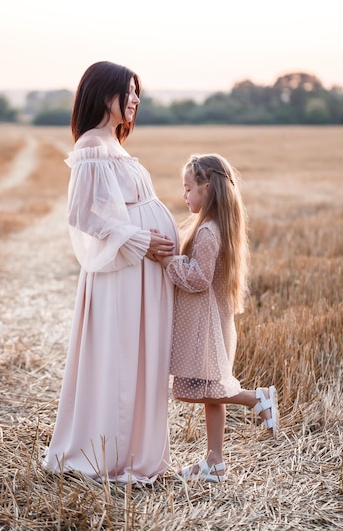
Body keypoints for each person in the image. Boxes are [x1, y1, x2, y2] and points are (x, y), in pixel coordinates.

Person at [43, 61, 178, 484]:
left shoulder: (113, 143)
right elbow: (83, 215)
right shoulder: (91, 145)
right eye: (129, 92)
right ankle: (106, 452)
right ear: (105, 95)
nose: (136, 100)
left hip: (139, 272)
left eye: (138, 92)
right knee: (119, 359)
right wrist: (141, 243)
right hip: (122, 272)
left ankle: (133, 449)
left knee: (138, 358)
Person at [156, 154, 278, 483]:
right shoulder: (216, 226)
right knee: (211, 390)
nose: (184, 196)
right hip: (213, 322)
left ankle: (256, 398)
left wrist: (168, 261)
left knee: (190, 390)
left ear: (207, 189)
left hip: (204, 328)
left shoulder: (208, 232)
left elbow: (198, 278)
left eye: (188, 189)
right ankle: (215, 463)